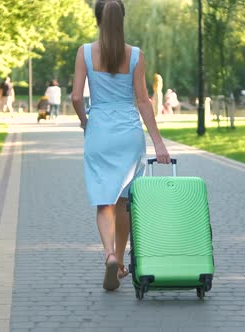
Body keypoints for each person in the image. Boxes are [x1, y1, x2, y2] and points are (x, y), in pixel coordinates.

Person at [71, 0, 171, 291]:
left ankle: (110, 255)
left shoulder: (85, 53)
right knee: (125, 201)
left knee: (104, 199)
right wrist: (159, 144)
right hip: (129, 133)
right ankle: (122, 263)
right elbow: (143, 100)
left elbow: (77, 97)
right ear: (122, 20)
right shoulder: (136, 55)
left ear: (98, 19)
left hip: (100, 129)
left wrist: (85, 122)